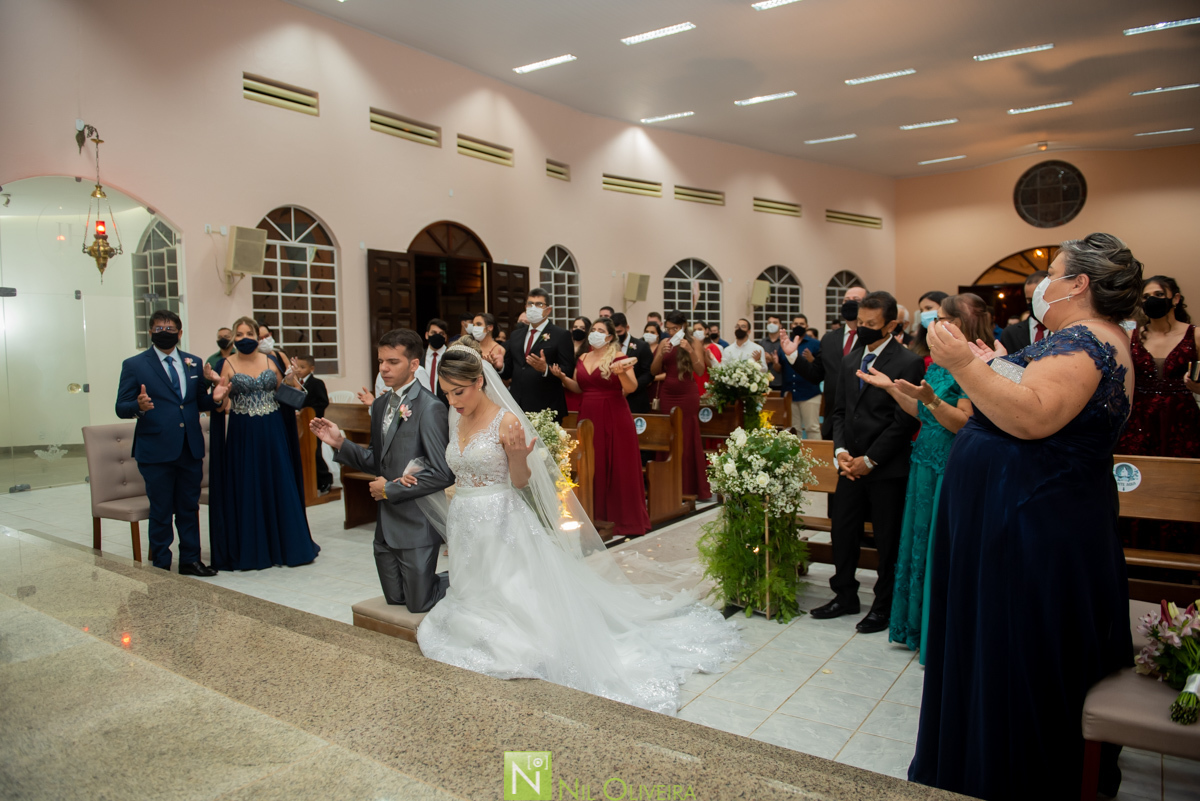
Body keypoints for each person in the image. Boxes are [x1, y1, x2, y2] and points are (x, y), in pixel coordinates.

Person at [910, 233, 1140, 800]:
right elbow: (1035, 394)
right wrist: (996, 367)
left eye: (1052, 273)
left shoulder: (1088, 342)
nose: (1041, 285)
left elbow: (1035, 416)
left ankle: (1009, 776)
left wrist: (964, 362)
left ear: (1078, 284)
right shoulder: (1076, 340)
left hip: (1032, 529)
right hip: (1024, 518)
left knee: (1019, 657)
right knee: (1001, 651)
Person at [396, 344, 742, 714]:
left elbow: (520, 481)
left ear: (480, 381)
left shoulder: (506, 421)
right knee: (473, 585)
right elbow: (459, 469)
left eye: (459, 392)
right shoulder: (457, 418)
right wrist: (416, 475)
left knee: (511, 589)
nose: (454, 401)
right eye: (447, 393)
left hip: (500, 518)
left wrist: (516, 457)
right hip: (465, 519)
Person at [859, 294, 987, 662]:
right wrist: (890, 388)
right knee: (918, 545)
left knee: (940, 548)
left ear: (960, 323)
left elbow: (963, 423)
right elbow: (921, 411)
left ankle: (942, 634)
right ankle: (915, 627)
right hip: (924, 460)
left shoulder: (975, 363)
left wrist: (930, 402)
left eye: (942, 317)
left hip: (951, 463)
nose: (933, 322)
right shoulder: (938, 364)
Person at [310, 328, 454, 612]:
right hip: (386, 525)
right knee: (395, 598)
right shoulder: (379, 405)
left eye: (393, 362)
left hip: (417, 523)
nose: (384, 369)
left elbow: (442, 472)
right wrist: (341, 443)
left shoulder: (430, 408)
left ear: (414, 364)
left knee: (419, 602)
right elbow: (377, 460)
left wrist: (390, 489)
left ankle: (470, 578)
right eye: (380, 362)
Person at [810, 291, 924, 633]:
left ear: (890, 325)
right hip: (849, 465)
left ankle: (883, 605)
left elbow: (904, 422)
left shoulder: (907, 362)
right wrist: (842, 453)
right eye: (860, 323)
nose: (862, 329)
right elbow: (840, 411)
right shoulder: (850, 360)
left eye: (871, 325)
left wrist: (870, 460)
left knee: (887, 539)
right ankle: (844, 594)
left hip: (885, 467)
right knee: (843, 531)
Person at [206, 316, 320, 571]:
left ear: (258, 337)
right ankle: (254, 549)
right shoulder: (226, 364)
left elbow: (284, 392)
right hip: (243, 434)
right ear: (233, 339)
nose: (244, 338)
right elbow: (222, 405)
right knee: (248, 485)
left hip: (273, 431)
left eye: (249, 333)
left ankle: (286, 544)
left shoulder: (272, 359)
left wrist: (291, 377)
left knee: (278, 483)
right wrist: (217, 391)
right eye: (239, 334)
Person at [115, 310, 220, 576]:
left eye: (170, 328)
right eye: (159, 328)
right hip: (155, 449)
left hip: (190, 447)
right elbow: (121, 407)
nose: (165, 332)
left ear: (180, 333)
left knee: (188, 507)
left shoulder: (194, 363)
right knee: (160, 509)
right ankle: (160, 564)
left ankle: (190, 560)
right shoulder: (135, 365)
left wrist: (216, 396)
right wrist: (137, 407)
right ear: (150, 332)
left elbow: (198, 402)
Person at [1116, 275, 1200, 556]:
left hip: (1182, 421)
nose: (1151, 301)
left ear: (1175, 299)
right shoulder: (1132, 335)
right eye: (1146, 296)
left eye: (1158, 294)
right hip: (1139, 421)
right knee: (1138, 484)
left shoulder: (1195, 334)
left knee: (1180, 486)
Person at [551, 317, 651, 538]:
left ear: (609, 337)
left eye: (600, 330)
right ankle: (593, 514)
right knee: (591, 463)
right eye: (592, 329)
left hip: (614, 413)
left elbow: (631, 387)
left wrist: (621, 372)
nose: (594, 333)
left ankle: (621, 518)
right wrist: (563, 378)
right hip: (588, 414)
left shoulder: (618, 356)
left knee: (617, 463)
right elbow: (579, 387)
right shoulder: (584, 356)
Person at [786, 285, 868, 438]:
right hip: (834, 419)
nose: (850, 303)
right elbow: (816, 374)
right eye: (846, 300)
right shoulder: (829, 339)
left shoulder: (872, 339)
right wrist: (793, 356)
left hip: (864, 421)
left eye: (856, 300)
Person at [651, 311, 712, 500]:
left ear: (684, 326)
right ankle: (666, 483)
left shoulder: (693, 341)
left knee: (687, 435)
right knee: (669, 435)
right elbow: (654, 371)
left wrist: (691, 350)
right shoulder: (664, 342)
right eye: (668, 329)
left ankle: (690, 485)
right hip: (668, 394)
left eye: (675, 328)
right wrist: (661, 354)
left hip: (687, 394)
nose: (671, 332)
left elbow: (701, 369)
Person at [501, 288, 575, 421]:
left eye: (539, 304)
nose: (533, 308)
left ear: (548, 309)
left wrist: (546, 368)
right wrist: (499, 366)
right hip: (517, 406)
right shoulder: (516, 335)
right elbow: (510, 372)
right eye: (530, 304)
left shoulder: (560, 335)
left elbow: (568, 370)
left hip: (546, 407)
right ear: (525, 307)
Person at [294, 354, 333, 493]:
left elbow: (323, 402)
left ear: (311, 368)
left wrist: (307, 412)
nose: (299, 370)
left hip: (314, 422)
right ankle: (309, 483)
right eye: (297, 366)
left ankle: (325, 480)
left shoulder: (316, 383)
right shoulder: (296, 383)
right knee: (303, 453)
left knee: (315, 453)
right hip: (300, 424)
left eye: (302, 367)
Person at [783, 315, 821, 439]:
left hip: (809, 392)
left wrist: (812, 359)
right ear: (791, 326)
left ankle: (817, 457)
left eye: (802, 324)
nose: (798, 326)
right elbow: (781, 367)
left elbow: (821, 367)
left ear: (807, 326)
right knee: (794, 430)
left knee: (812, 428)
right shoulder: (785, 342)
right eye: (795, 323)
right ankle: (797, 458)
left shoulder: (815, 344)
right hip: (790, 394)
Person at [998, 271, 1050, 354]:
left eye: (1037, 299)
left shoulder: (1064, 330)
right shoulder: (1010, 334)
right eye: (1029, 300)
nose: (1033, 304)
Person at [612, 312, 654, 413]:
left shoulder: (641, 346)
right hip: (614, 398)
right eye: (614, 333)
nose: (617, 336)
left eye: (619, 332)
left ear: (627, 327)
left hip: (636, 399)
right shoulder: (608, 347)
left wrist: (629, 388)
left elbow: (648, 374)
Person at [907, 291, 949, 366]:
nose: (924, 313)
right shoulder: (917, 341)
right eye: (921, 310)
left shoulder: (954, 339)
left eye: (928, 308)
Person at [565, 316, 592, 415]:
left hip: (579, 391)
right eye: (575, 327)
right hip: (564, 391)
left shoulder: (590, 349)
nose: (578, 330)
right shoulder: (565, 345)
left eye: (582, 328)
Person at [423, 319, 450, 405]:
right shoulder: (418, 357)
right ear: (427, 335)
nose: (437, 336)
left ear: (445, 337)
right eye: (434, 333)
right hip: (423, 406)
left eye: (441, 334)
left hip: (447, 406)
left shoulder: (451, 356)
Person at [642, 321, 666, 410]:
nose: (649, 334)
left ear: (658, 336)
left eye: (652, 332)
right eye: (647, 332)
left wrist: (652, 378)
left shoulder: (663, 349)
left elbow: (669, 373)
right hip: (642, 388)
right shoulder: (640, 348)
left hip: (658, 387)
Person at [760, 315, 785, 392]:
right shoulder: (762, 343)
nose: (771, 324)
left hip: (780, 383)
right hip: (765, 383)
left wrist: (772, 359)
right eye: (769, 322)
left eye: (775, 322)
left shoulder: (784, 342)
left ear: (780, 325)